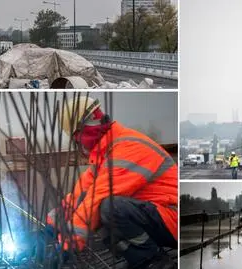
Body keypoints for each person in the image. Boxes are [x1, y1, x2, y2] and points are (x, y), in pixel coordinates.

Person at [45, 97, 177, 269]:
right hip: (154, 217)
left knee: (109, 207)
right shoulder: (106, 152)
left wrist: (65, 247)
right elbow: (81, 196)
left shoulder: (127, 147)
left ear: (80, 134)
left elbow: (97, 199)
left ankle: (154, 262)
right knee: (97, 207)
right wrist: (51, 224)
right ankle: (138, 258)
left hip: (172, 219)